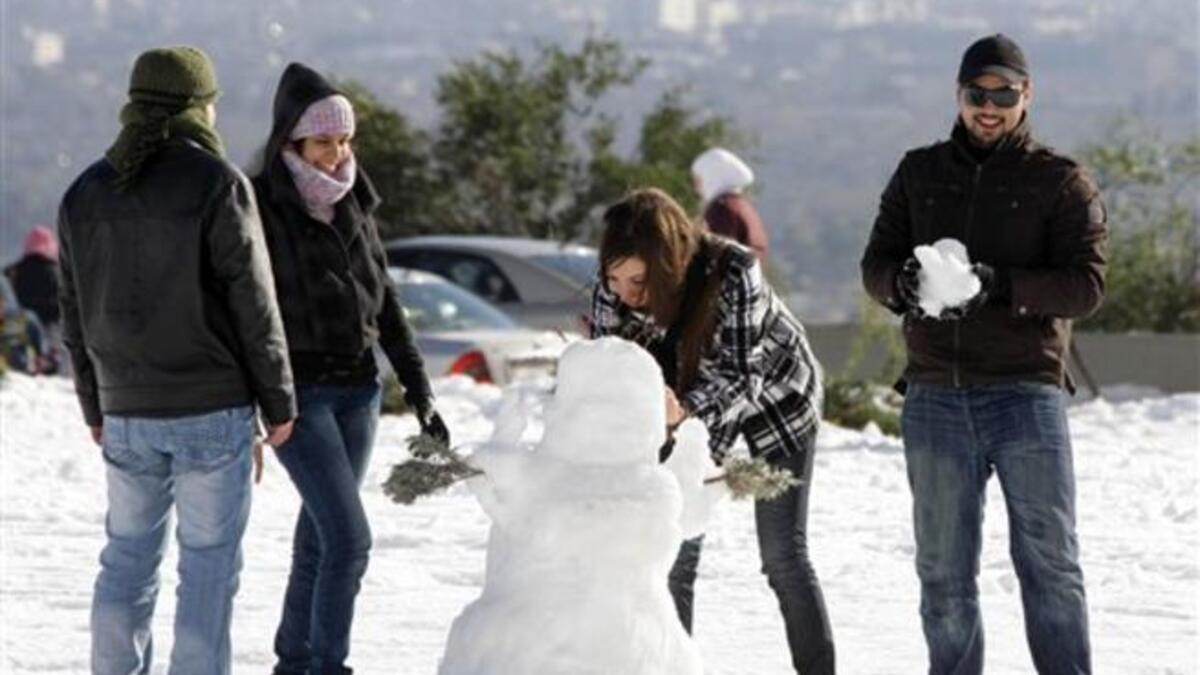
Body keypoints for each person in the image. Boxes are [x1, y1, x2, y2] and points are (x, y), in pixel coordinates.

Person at [861, 34, 1105, 675]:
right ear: (959, 94)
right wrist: (904, 286)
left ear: (1027, 96)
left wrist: (1001, 285)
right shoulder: (919, 172)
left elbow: (1086, 285)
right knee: (942, 574)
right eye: (978, 93)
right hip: (936, 393)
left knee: (1049, 562)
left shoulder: (1060, 180)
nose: (989, 107)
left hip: (1026, 392)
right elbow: (876, 264)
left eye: (1004, 93)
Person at [56, 46, 296, 675]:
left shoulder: (85, 191)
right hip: (211, 409)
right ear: (197, 106)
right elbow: (254, 302)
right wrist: (279, 402)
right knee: (209, 566)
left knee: (126, 559)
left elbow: (73, 314)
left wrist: (95, 404)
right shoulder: (217, 183)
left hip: (126, 408)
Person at [251, 62, 447, 675]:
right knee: (349, 540)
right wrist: (265, 401)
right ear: (291, 143)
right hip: (300, 396)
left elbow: (384, 301)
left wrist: (419, 390)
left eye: (343, 139)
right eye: (323, 141)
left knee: (319, 537)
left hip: (359, 391)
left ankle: (294, 661)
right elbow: (246, 313)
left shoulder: (356, 201)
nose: (337, 154)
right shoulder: (259, 207)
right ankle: (327, 667)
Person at [591, 187, 834, 674]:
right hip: (681, 407)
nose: (623, 293)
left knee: (783, 555)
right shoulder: (612, 288)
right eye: (614, 279)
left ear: (665, 265)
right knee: (675, 555)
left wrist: (680, 414)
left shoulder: (733, 271)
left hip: (776, 399)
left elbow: (744, 378)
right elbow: (604, 372)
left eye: (636, 280)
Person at [691, 147, 768, 260]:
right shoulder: (743, 206)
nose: (696, 188)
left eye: (699, 180)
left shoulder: (722, 209)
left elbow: (714, 257)